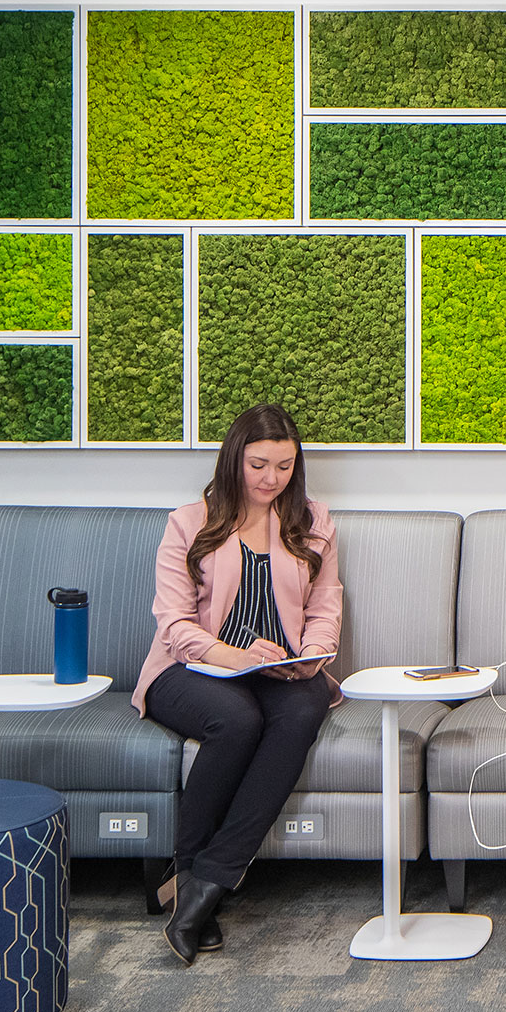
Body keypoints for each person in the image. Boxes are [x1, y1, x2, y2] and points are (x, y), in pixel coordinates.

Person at [134, 403, 342, 965]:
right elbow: (175, 625)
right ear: (234, 460)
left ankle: (199, 890)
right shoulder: (188, 521)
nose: (271, 479)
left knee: (306, 707)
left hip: (279, 670)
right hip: (190, 670)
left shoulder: (312, 521)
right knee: (237, 719)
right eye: (258, 465)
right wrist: (233, 656)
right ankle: (197, 882)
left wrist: (312, 655)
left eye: (284, 467)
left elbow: (325, 607)